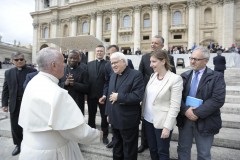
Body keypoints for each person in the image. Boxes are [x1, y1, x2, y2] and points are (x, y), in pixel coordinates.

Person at [18, 47, 102, 160]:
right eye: (63, 61)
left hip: (30, 148)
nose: (64, 65)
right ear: (53, 65)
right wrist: (98, 135)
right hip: (52, 152)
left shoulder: (34, 81)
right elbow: (76, 131)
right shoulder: (56, 93)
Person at [177, 46, 226, 160]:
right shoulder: (184, 76)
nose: (192, 61)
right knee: (183, 150)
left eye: (196, 59)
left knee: (204, 154)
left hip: (206, 120)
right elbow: (177, 97)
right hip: (185, 119)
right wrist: (185, 110)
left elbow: (217, 99)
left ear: (206, 61)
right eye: (191, 58)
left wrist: (196, 112)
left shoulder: (217, 77)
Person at [138, 35, 176, 153]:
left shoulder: (169, 57)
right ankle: (144, 143)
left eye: (156, 43)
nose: (153, 45)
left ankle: (159, 144)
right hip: (148, 93)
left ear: (162, 46)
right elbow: (140, 75)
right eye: (152, 42)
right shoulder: (145, 57)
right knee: (146, 123)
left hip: (162, 95)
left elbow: (172, 74)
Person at [142, 49, 183, 160]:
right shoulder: (153, 76)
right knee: (152, 149)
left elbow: (175, 106)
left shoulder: (175, 79)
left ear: (163, 61)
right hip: (148, 120)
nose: (151, 65)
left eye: (154, 62)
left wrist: (167, 127)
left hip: (162, 122)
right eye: (150, 62)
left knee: (162, 151)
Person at [105, 52, 144, 160]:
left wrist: (119, 97)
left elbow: (138, 96)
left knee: (129, 150)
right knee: (117, 146)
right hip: (114, 118)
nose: (113, 65)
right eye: (112, 63)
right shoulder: (113, 75)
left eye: (115, 62)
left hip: (128, 120)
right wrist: (108, 113)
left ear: (123, 62)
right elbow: (110, 95)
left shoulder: (136, 75)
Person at [1, 52, 37, 156]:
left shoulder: (33, 71)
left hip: (28, 103)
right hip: (14, 103)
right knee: (15, 126)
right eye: (16, 60)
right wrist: (4, 104)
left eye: (21, 59)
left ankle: (30, 144)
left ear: (25, 60)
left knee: (29, 125)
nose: (19, 61)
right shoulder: (8, 72)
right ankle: (18, 145)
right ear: (12, 61)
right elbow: (5, 90)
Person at [99, 44, 134, 148]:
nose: (112, 56)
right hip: (111, 99)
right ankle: (115, 141)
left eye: (114, 53)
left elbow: (130, 81)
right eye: (110, 54)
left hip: (124, 100)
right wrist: (105, 95)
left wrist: (122, 96)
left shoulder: (128, 63)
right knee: (114, 127)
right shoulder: (107, 65)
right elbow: (107, 82)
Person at [87, 45, 109, 144]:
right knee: (91, 116)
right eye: (98, 51)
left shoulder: (108, 64)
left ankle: (104, 136)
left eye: (101, 51)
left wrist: (104, 95)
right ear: (95, 52)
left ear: (104, 53)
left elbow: (108, 81)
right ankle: (92, 135)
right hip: (91, 95)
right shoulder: (89, 64)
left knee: (104, 117)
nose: (99, 52)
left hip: (103, 96)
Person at [59, 49, 89, 114]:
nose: (72, 60)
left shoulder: (83, 71)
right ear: (67, 58)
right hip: (64, 102)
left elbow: (87, 88)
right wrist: (65, 83)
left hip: (78, 102)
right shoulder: (61, 70)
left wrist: (74, 84)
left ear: (79, 59)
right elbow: (56, 85)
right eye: (71, 58)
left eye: (75, 58)